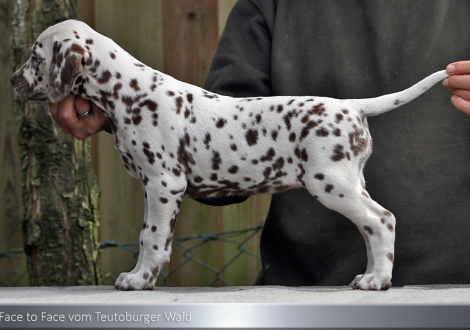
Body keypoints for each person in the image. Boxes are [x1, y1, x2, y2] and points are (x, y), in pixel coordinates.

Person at [50, 0, 470, 287]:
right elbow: (216, 140)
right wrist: (118, 113)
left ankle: (379, 236)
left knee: (343, 193)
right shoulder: (270, 4)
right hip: (301, 291)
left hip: (458, 286)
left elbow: (172, 178)